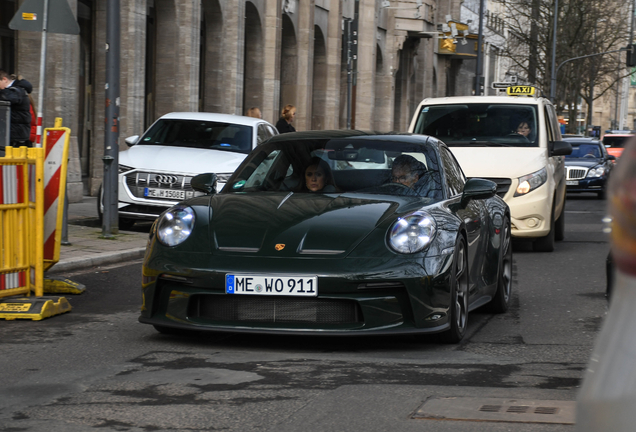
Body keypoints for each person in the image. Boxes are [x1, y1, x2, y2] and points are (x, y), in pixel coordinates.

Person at [0, 70, 32, 155]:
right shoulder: (17, 90)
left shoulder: (17, 91)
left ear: (4, 79)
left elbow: (9, 97)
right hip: (13, 135)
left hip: (15, 138)